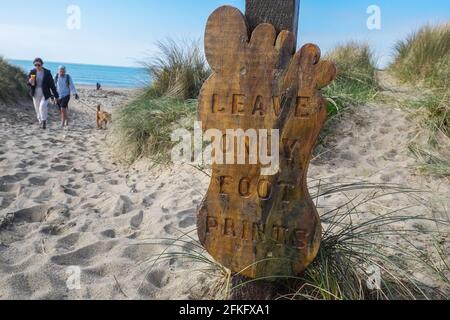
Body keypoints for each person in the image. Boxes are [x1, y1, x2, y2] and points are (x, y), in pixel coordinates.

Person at [27, 58, 59, 130]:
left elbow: (52, 85)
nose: (37, 66)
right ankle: (40, 120)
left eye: (39, 65)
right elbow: (28, 83)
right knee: (37, 108)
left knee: (42, 106)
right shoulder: (32, 72)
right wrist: (30, 81)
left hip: (45, 92)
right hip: (35, 92)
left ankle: (44, 121)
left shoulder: (47, 72)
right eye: (35, 65)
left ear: (42, 64)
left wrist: (56, 96)